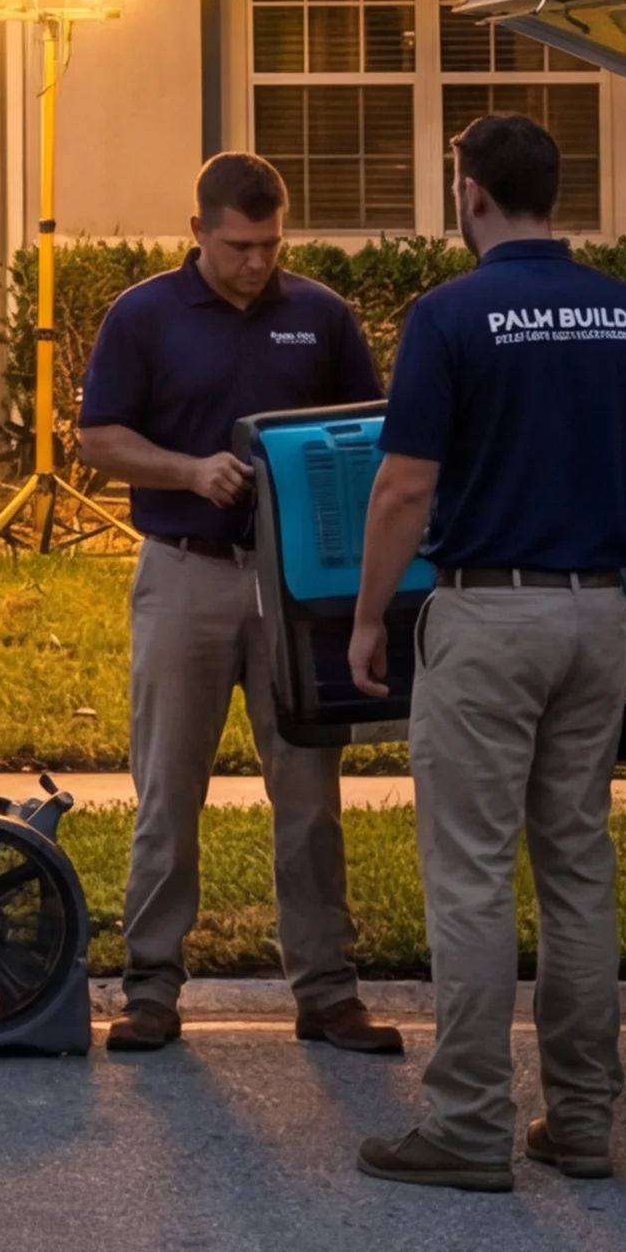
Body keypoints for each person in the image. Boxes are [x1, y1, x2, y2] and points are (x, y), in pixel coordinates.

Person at [344, 112, 626, 1191]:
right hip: (594, 618)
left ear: (465, 190)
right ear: (549, 195)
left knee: (469, 875)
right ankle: (581, 1120)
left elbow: (404, 484)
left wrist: (369, 614)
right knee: (574, 868)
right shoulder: (622, 310)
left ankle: (468, 1123)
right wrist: (624, 481)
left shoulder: (447, 314)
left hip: (487, 615)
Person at [71, 151, 398, 1059]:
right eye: (239, 246)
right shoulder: (142, 316)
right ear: (198, 233)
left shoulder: (320, 316)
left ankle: (327, 991)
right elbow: (97, 440)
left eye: (271, 244)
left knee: (309, 788)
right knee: (168, 784)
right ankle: (150, 987)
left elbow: (367, 433)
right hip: (186, 570)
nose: (257, 263)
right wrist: (188, 469)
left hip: (294, 585)